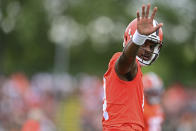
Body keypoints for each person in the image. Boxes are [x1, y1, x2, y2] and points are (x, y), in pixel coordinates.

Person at [102, 3, 164, 131]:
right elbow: (126, 60)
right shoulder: (123, 61)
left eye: (151, 46)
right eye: (144, 43)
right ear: (131, 39)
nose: (148, 49)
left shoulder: (136, 70)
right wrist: (138, 38)